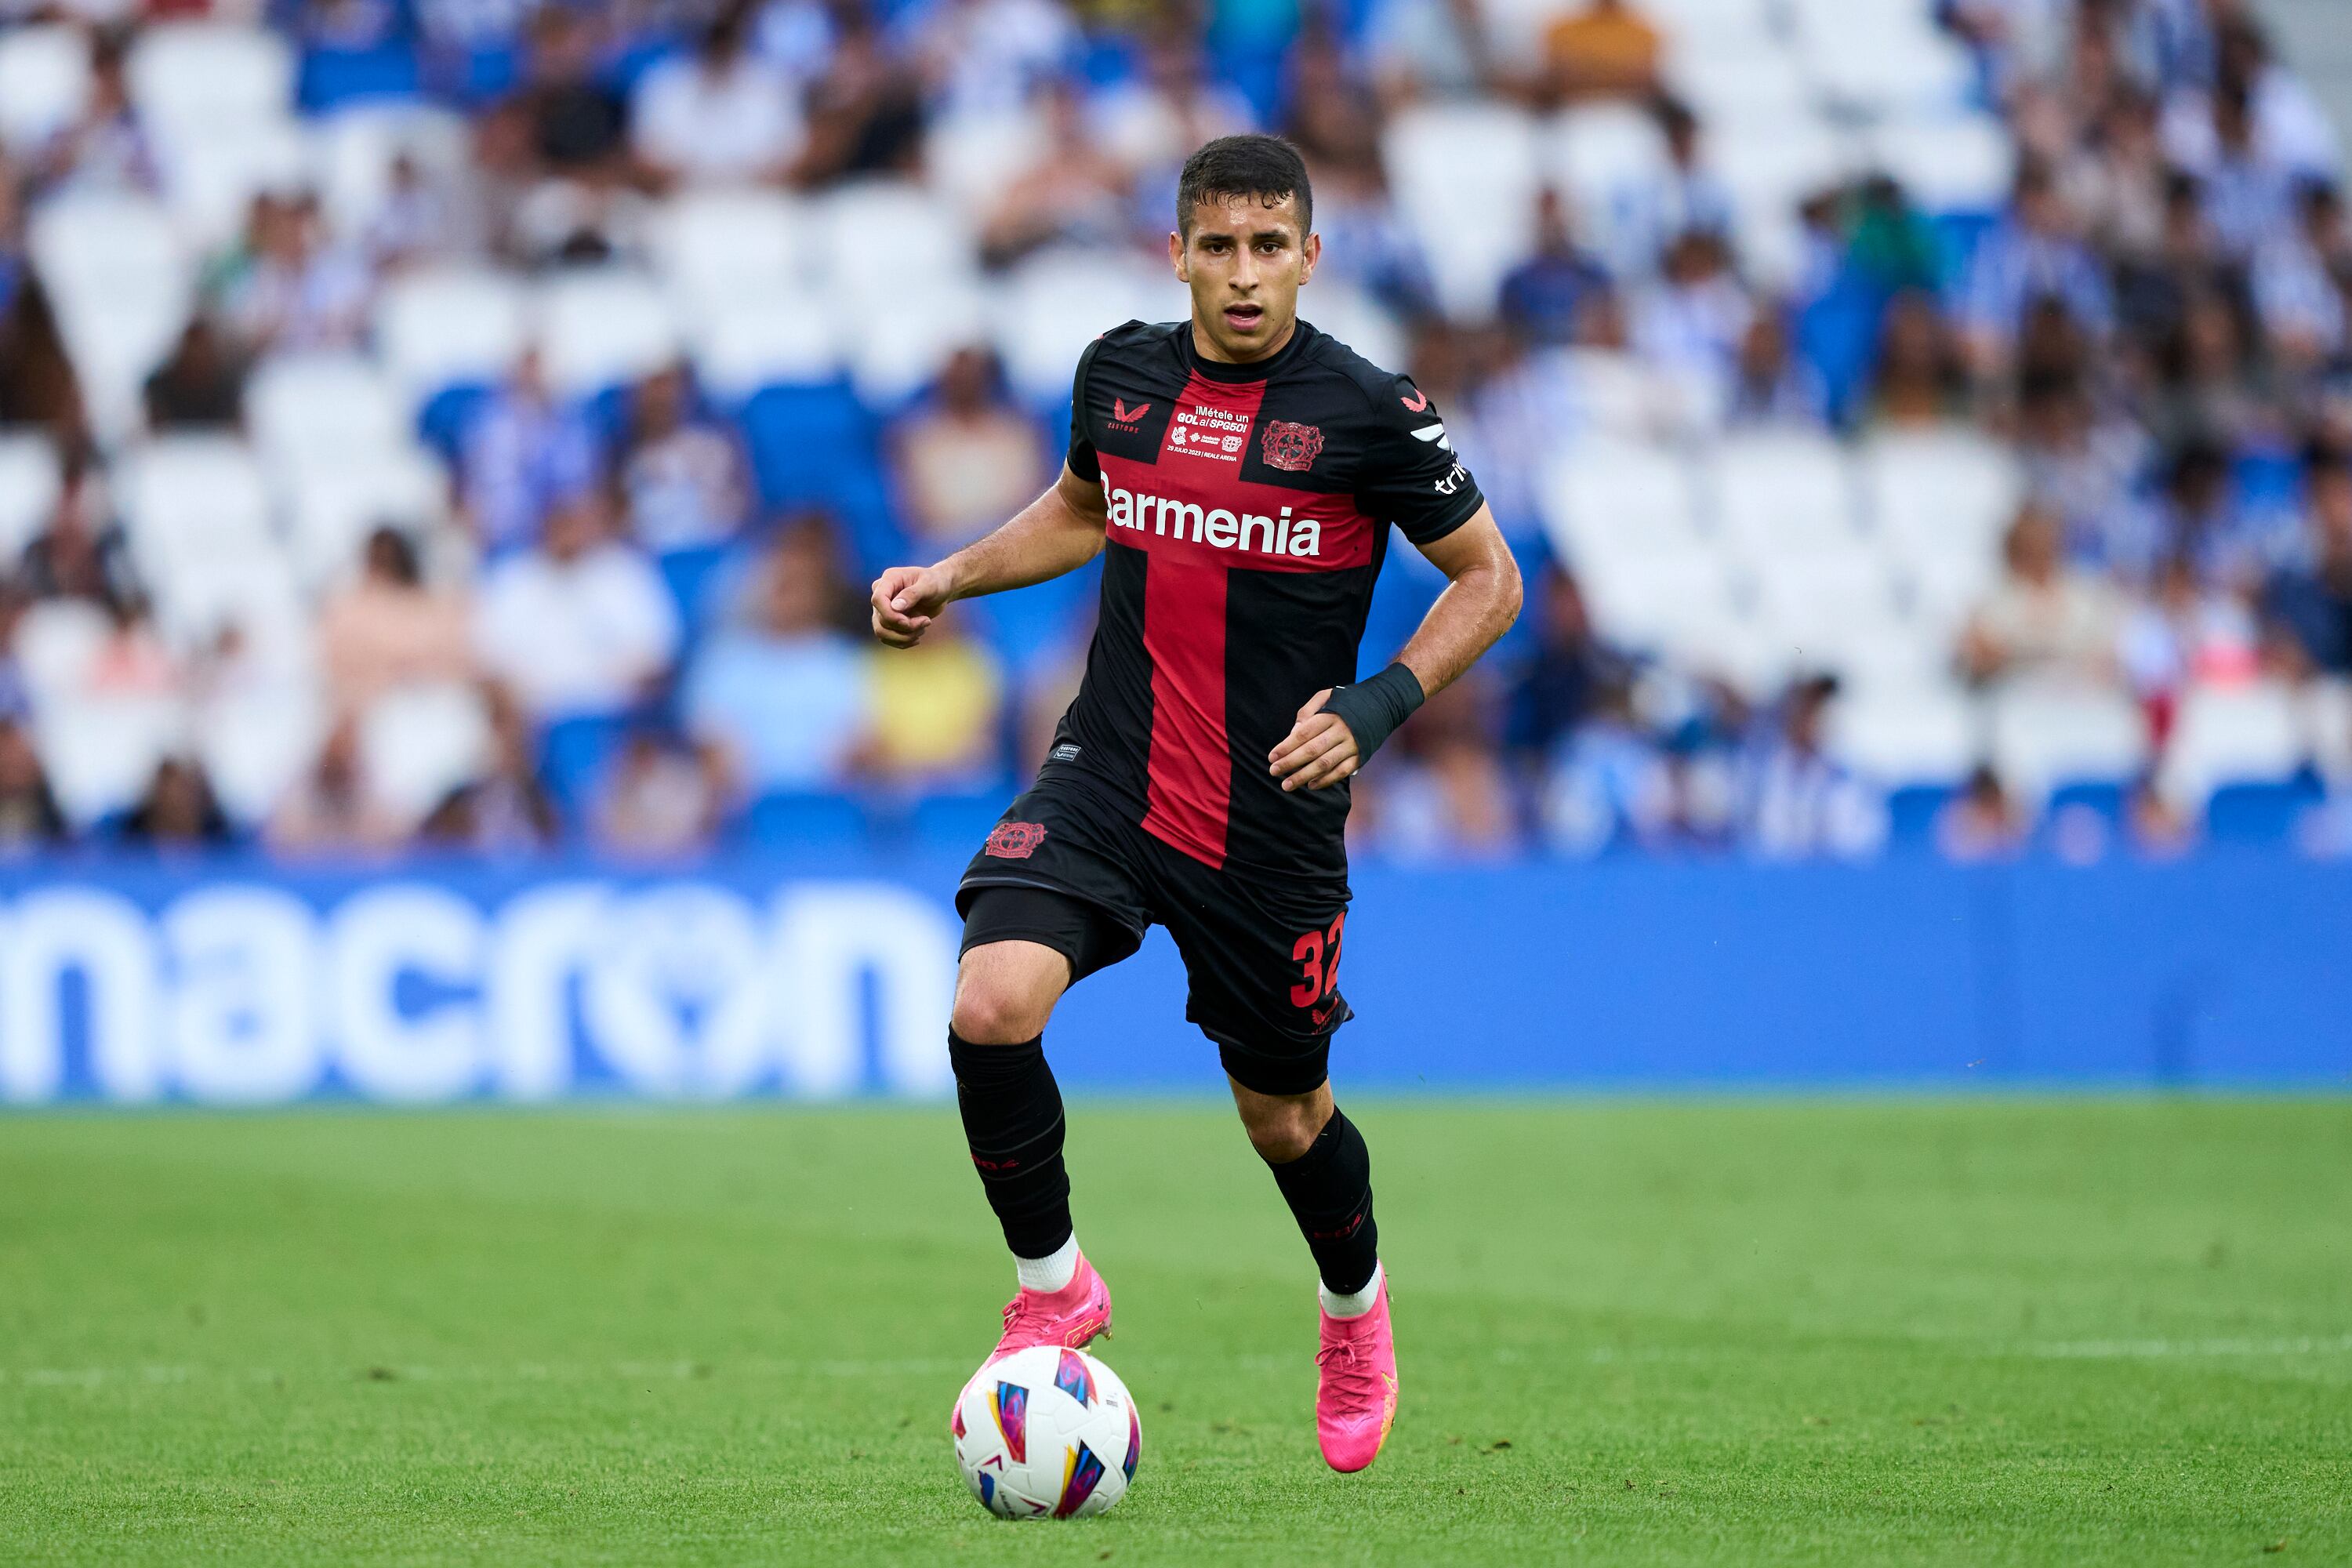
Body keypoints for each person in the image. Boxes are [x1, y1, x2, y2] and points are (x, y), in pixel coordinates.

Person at [868, 136, 1522, 1475]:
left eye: (1267, 247)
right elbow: (1079, 510)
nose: (1241, 275)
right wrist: (952, 576)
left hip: (1267, 819)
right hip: (1110, 772)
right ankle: (1054, 1285)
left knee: (1282, 1117)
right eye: (1215, 247)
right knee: (989, 1002)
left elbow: (1490, 581)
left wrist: (1378, 705)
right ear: (1176, 254)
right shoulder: (1120, 372)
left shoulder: (1367, 412)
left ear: (1308, 257)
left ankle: (1354, 1310)